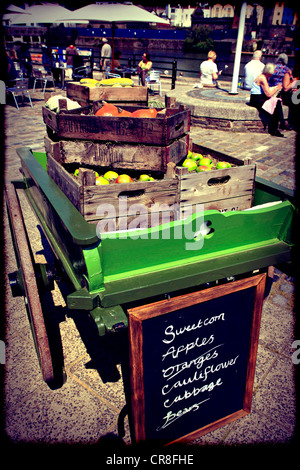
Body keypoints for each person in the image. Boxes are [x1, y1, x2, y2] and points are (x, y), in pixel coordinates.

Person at [249, 63, 285, 137]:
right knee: (275, 106)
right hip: (256, 99)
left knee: (276, 102)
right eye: (271, 73)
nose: (272, 75)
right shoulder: (263, 78)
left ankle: (280, 124)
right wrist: (277, 88)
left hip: (257, 97)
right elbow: (268, 94)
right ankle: (279, 125)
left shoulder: (262, 77)